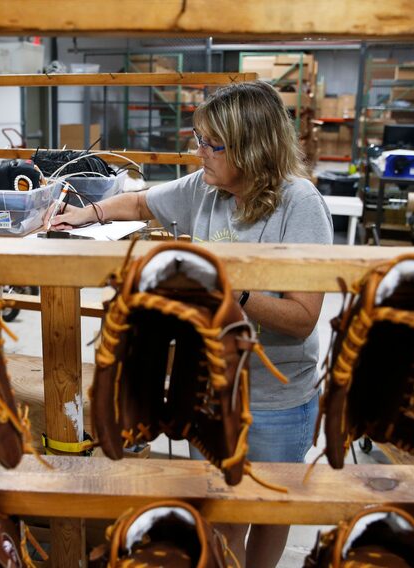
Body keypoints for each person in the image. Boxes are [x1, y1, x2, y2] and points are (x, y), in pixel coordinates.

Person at [48, 80, 333, 568]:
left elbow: (303, 320)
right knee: (223, 513)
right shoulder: (206, 188)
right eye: (197, 139)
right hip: (214, 389)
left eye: (210, 144)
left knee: (268, 508)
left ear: (251, 146)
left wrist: (230, 289)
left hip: (275, 396)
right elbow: (139, 203)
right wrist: (84, 213)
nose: (197, 152)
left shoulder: (299, 204)